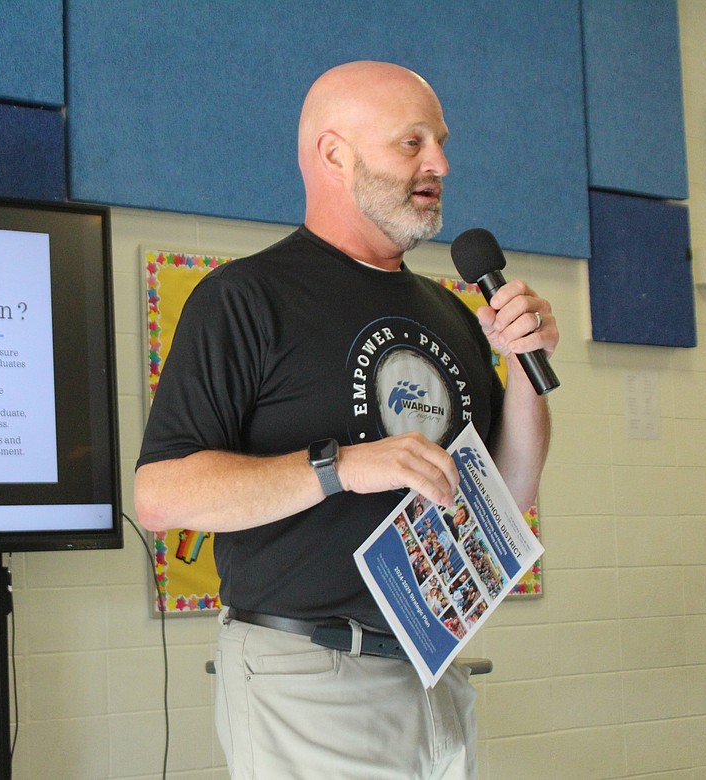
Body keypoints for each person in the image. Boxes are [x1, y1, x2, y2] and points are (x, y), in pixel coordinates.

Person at [134, 60, 555, 780]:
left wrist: (523, 365)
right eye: (411, 143)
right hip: (310, 674)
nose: (441, 163)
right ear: (335, 154)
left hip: (434, 668)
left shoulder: (451, 311)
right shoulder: (245, 298)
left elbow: (507, 495)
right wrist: (343, 467)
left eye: (442, 142)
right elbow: (160, 496)